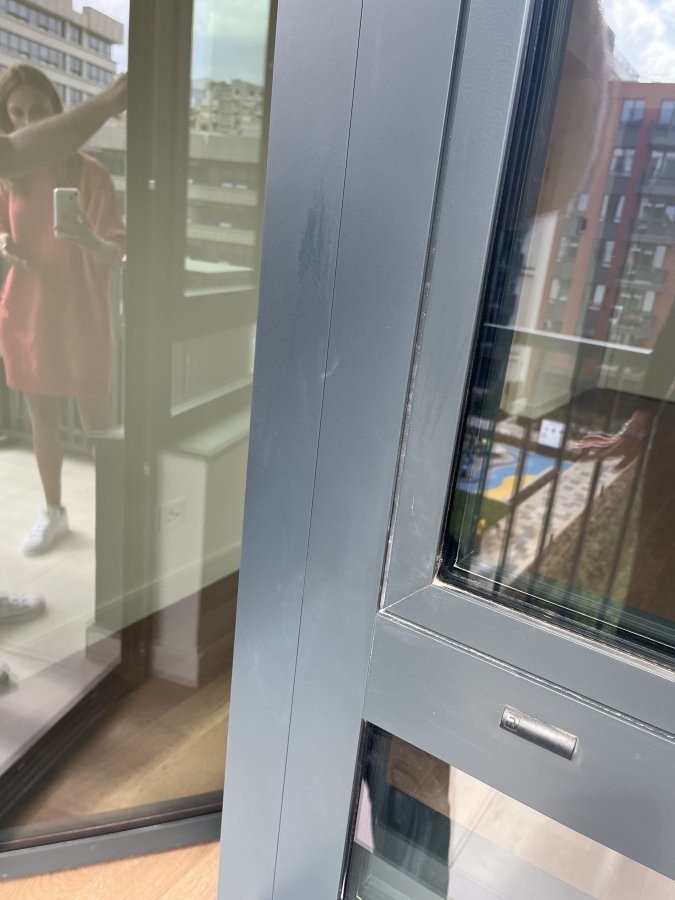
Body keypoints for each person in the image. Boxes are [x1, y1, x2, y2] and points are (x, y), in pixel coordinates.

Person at [0, 70, 126, 644]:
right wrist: (7, 246)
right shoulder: (13, 177)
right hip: (28, 311)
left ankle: (118, 523)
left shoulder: (89, 173)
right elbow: (5, 232)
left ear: (57, 109)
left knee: (102, 428)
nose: (27, 121)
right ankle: (54, 512)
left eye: (37, 110)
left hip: (81, 314)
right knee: (42, 422)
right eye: (17, 113)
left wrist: (89, 242)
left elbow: (117, 250)